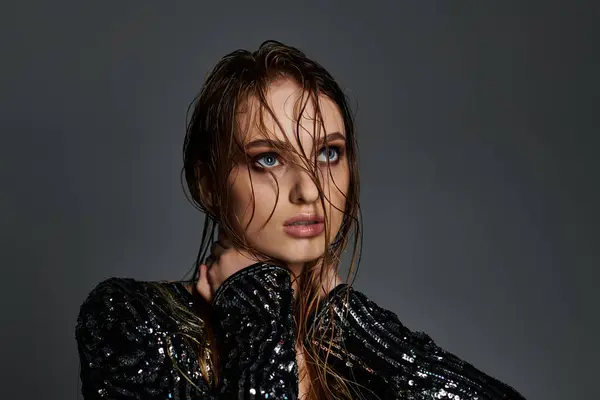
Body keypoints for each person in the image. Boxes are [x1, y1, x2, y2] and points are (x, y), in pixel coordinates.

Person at [75, 40, 526, 400]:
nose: (309, 190)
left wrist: (348, 319)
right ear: (208, 184)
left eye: (329, 153)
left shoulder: (356, 347)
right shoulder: (130, 319)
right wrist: (253, 303)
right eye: (268, 159)